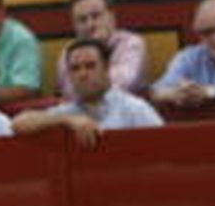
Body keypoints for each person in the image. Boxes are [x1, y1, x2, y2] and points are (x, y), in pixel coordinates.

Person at [13, 36, 164, 143]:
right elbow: (17, 124)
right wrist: (68, 120)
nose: (83, 74)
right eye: (75, 69)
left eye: (90, 66)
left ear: (106, 69)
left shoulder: (134, 109)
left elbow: (163, 146)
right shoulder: (67, 112)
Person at [58, 0, 149, 99]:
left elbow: (123, 84)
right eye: (82, 20)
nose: (90, 25)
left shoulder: (131, 44)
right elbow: (70, 91)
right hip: (81, 112)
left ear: (111, 16)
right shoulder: (70, 51)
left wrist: (98, 48)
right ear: (74, 25)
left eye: (96, 16)